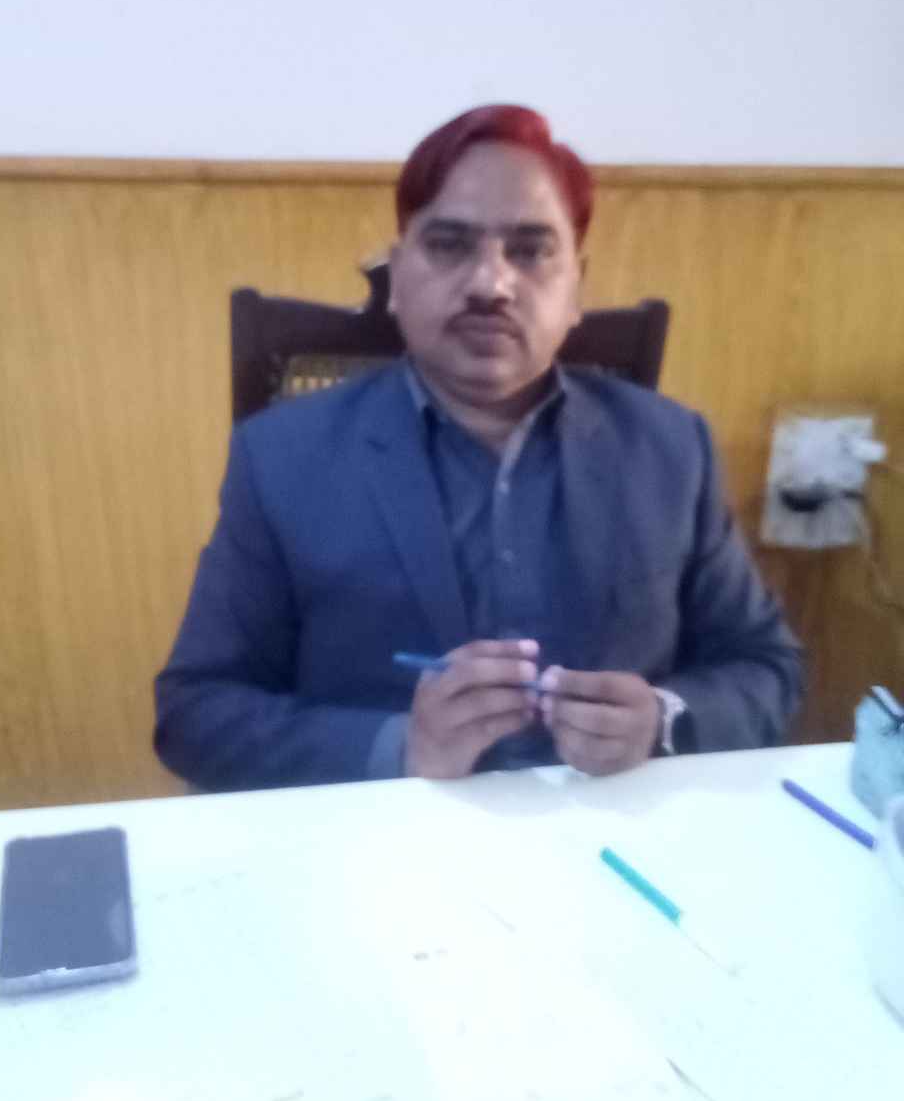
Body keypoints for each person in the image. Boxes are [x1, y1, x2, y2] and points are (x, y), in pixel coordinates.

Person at [154, 104, 804, 792]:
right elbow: (196, 712)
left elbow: (767, 666)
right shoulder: (282, 458)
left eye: (531, 251)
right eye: (449, 245)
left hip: (612, 832)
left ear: (576, 289)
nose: (491, 285)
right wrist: (401, 749)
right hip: (385, 834)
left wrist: (663, 720)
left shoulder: (671, 448)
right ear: (397, 277)